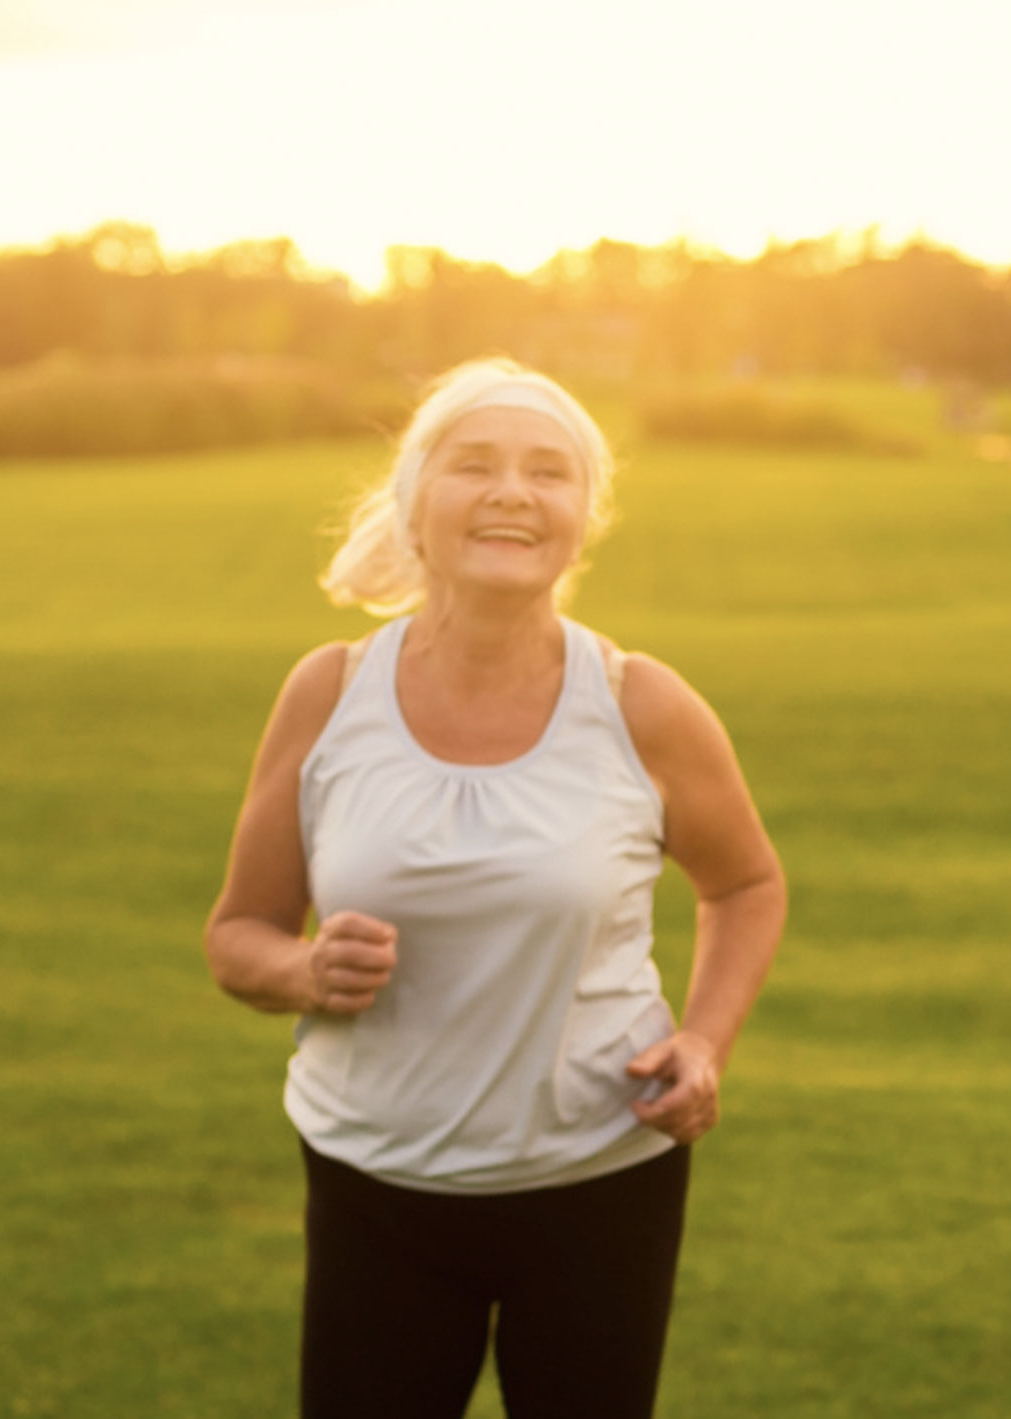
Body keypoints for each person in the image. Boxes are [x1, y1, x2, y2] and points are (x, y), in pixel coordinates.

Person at [203, 358, 786, 1418]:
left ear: (582, 519)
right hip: (374, 1180)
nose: (514, 491)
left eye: (549, 472)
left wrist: (703, 1043)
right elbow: (238, 933)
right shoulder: (329, 693)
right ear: (415, 504)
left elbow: (746, 883)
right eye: (475, 465)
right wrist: (302, 968)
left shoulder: (643, 705)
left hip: (601, 1179)